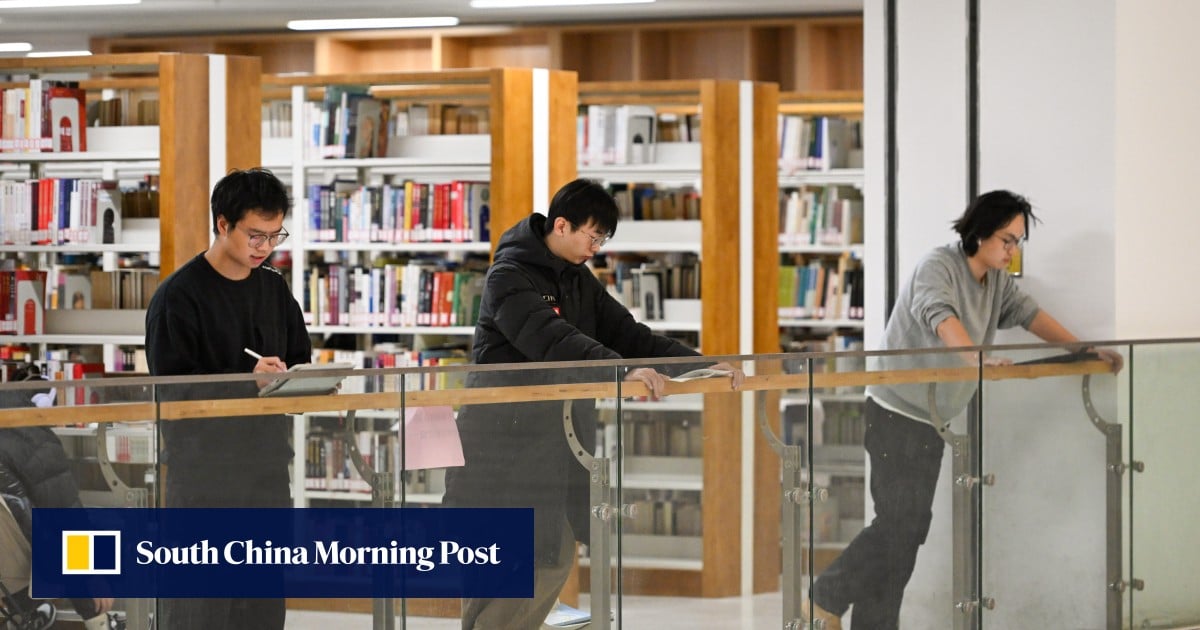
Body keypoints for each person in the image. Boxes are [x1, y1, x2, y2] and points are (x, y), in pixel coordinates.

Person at [803, 190, 1123, 630]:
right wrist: (977, 358)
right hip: (896, 411)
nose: (1012, 251)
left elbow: (1030, 315)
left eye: (1018, 242)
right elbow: (941, 317)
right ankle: (823, 597)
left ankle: (868, 622)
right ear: (980, 234)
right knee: (900, 524)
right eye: (1007, 240)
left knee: (907, 532)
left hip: (933, 419)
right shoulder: (938, 267)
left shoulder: (997, 283)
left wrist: (1083, 349)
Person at [442, 178, 744, 630]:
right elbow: (553, 340)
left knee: (543, 558)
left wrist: (699, 366)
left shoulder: (578, 279)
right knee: (514, 567)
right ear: (561, 225)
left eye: (603, 240)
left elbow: (630, 335)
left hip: (554, 447)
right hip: (501, 449)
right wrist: (618, 372)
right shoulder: (508, 276)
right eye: (593, 236)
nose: (595, 249)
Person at [145, 168, 310, 630]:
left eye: (275, 236)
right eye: (255, 235)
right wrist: (245, 382)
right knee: (201, 610)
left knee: (263, 610)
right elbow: (172, 391)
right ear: (222, 223)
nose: (265, 247)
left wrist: (304, 383)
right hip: (205, 480)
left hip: (267, 472)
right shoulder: (178, 297)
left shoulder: (274, 287)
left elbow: (298, 357)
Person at [0, 363, 124, 630]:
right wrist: (92, 579)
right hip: (17, 564)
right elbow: (63, 511)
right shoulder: (30, 433)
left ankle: (27, 608)